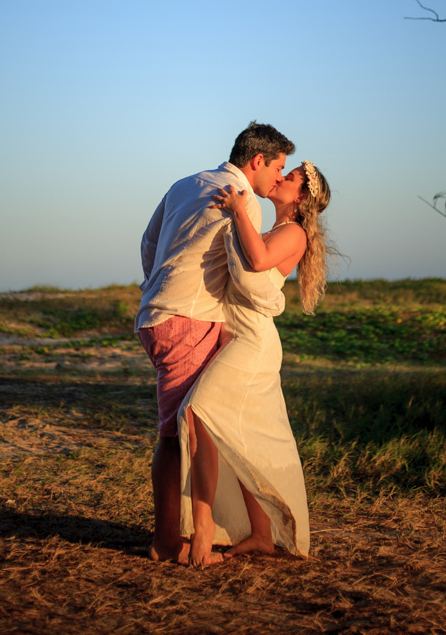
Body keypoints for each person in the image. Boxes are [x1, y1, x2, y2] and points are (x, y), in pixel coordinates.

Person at [136, 121, 295, 565]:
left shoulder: (184, 184)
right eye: (278, 167)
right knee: (179, 434)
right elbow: (245, 271)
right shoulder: (243, 201)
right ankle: (172, 541)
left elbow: (149, 242)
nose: (278, 178)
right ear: (257, 161)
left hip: (157, 315)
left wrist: (159, 286)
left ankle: (214, 529)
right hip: (189, 319)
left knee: (193, 427)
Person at [176, 159, 332, 567]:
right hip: (237, 337)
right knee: (238, 435)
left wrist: (238, 211)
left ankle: (204, 531)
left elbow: (259, 261)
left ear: (300, 198)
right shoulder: (274, 227)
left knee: (197, 411)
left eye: (291, 176)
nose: (281, 176)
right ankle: (261, 535)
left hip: (254, 344)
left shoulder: (294, 233)